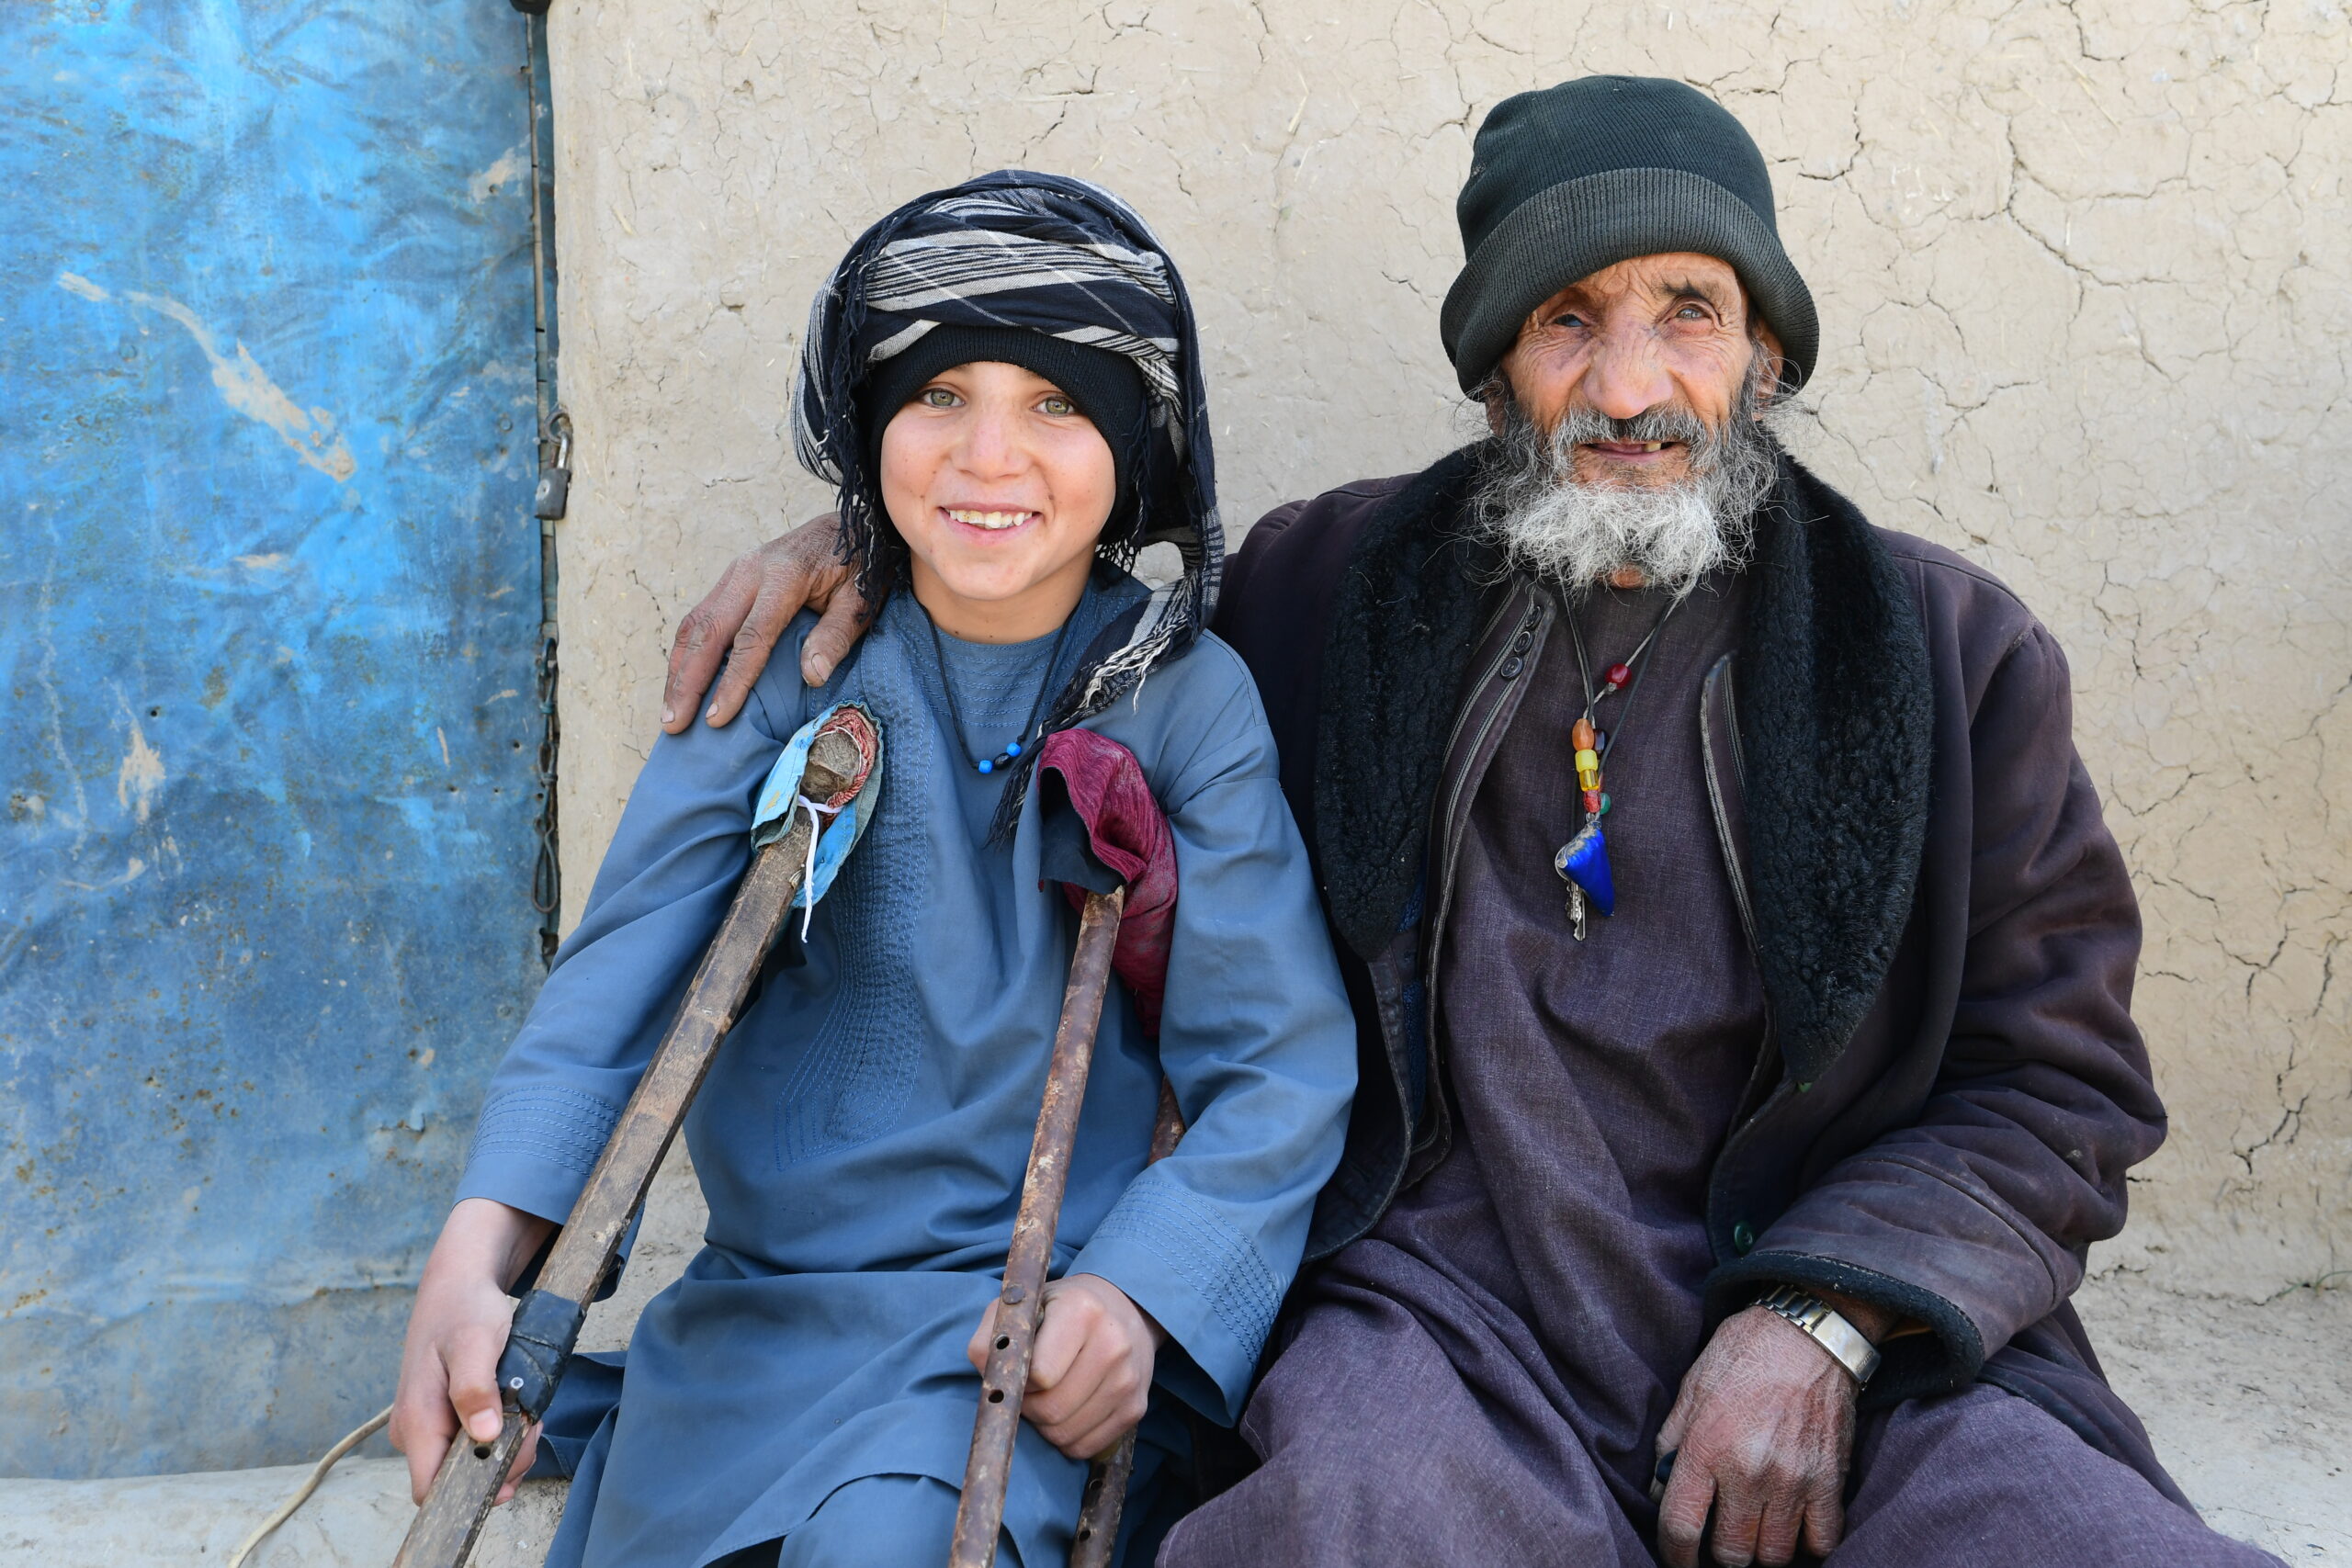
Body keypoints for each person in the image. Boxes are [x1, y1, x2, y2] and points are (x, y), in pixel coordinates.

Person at [661, 78, 2280, 1568]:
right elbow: (1057, 606)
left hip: (1848, 1331)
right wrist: (873, 542)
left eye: (1690, 315)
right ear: (1493, 360)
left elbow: (2051, 1083)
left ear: (1768, 352)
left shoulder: (1944, 654)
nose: (1632, 386)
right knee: (1344, 1520)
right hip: (1442, 1319)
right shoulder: (1328, 594)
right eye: (1569, 320)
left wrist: (1825, 1321)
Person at [390, 171, 1357, 1568]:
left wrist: (1139, 1301)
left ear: (1135, 444)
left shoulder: (1182, 700)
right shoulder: (794, 672)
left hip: (1011, 1331)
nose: (988, 458)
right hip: (754, 1328)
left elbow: (1276, 1066)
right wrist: (478, 1256)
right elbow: (623, 984)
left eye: (1058, 406)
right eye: (938, 395)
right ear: (869, 421)